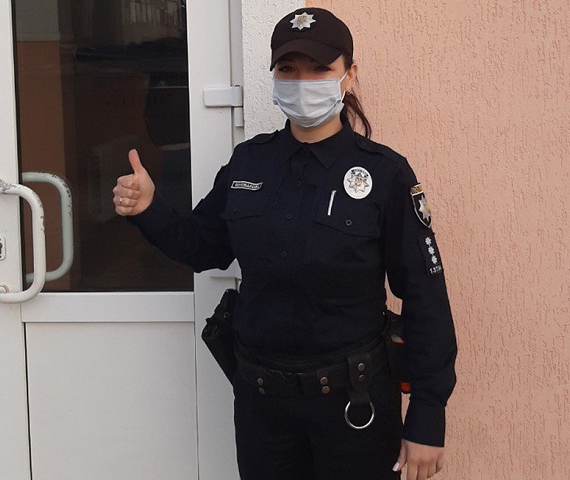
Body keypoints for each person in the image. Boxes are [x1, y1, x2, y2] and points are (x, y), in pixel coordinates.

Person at [113, 8, 457, 480]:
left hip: (355, 408)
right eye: (288, 69)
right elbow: (204, 247)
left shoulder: (384, 174)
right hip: (263, 410)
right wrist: (149, 208)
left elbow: (425, 296)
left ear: (349, 75)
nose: (302, 82)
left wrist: (428, 415)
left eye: (320, 69)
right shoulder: (249, 163)